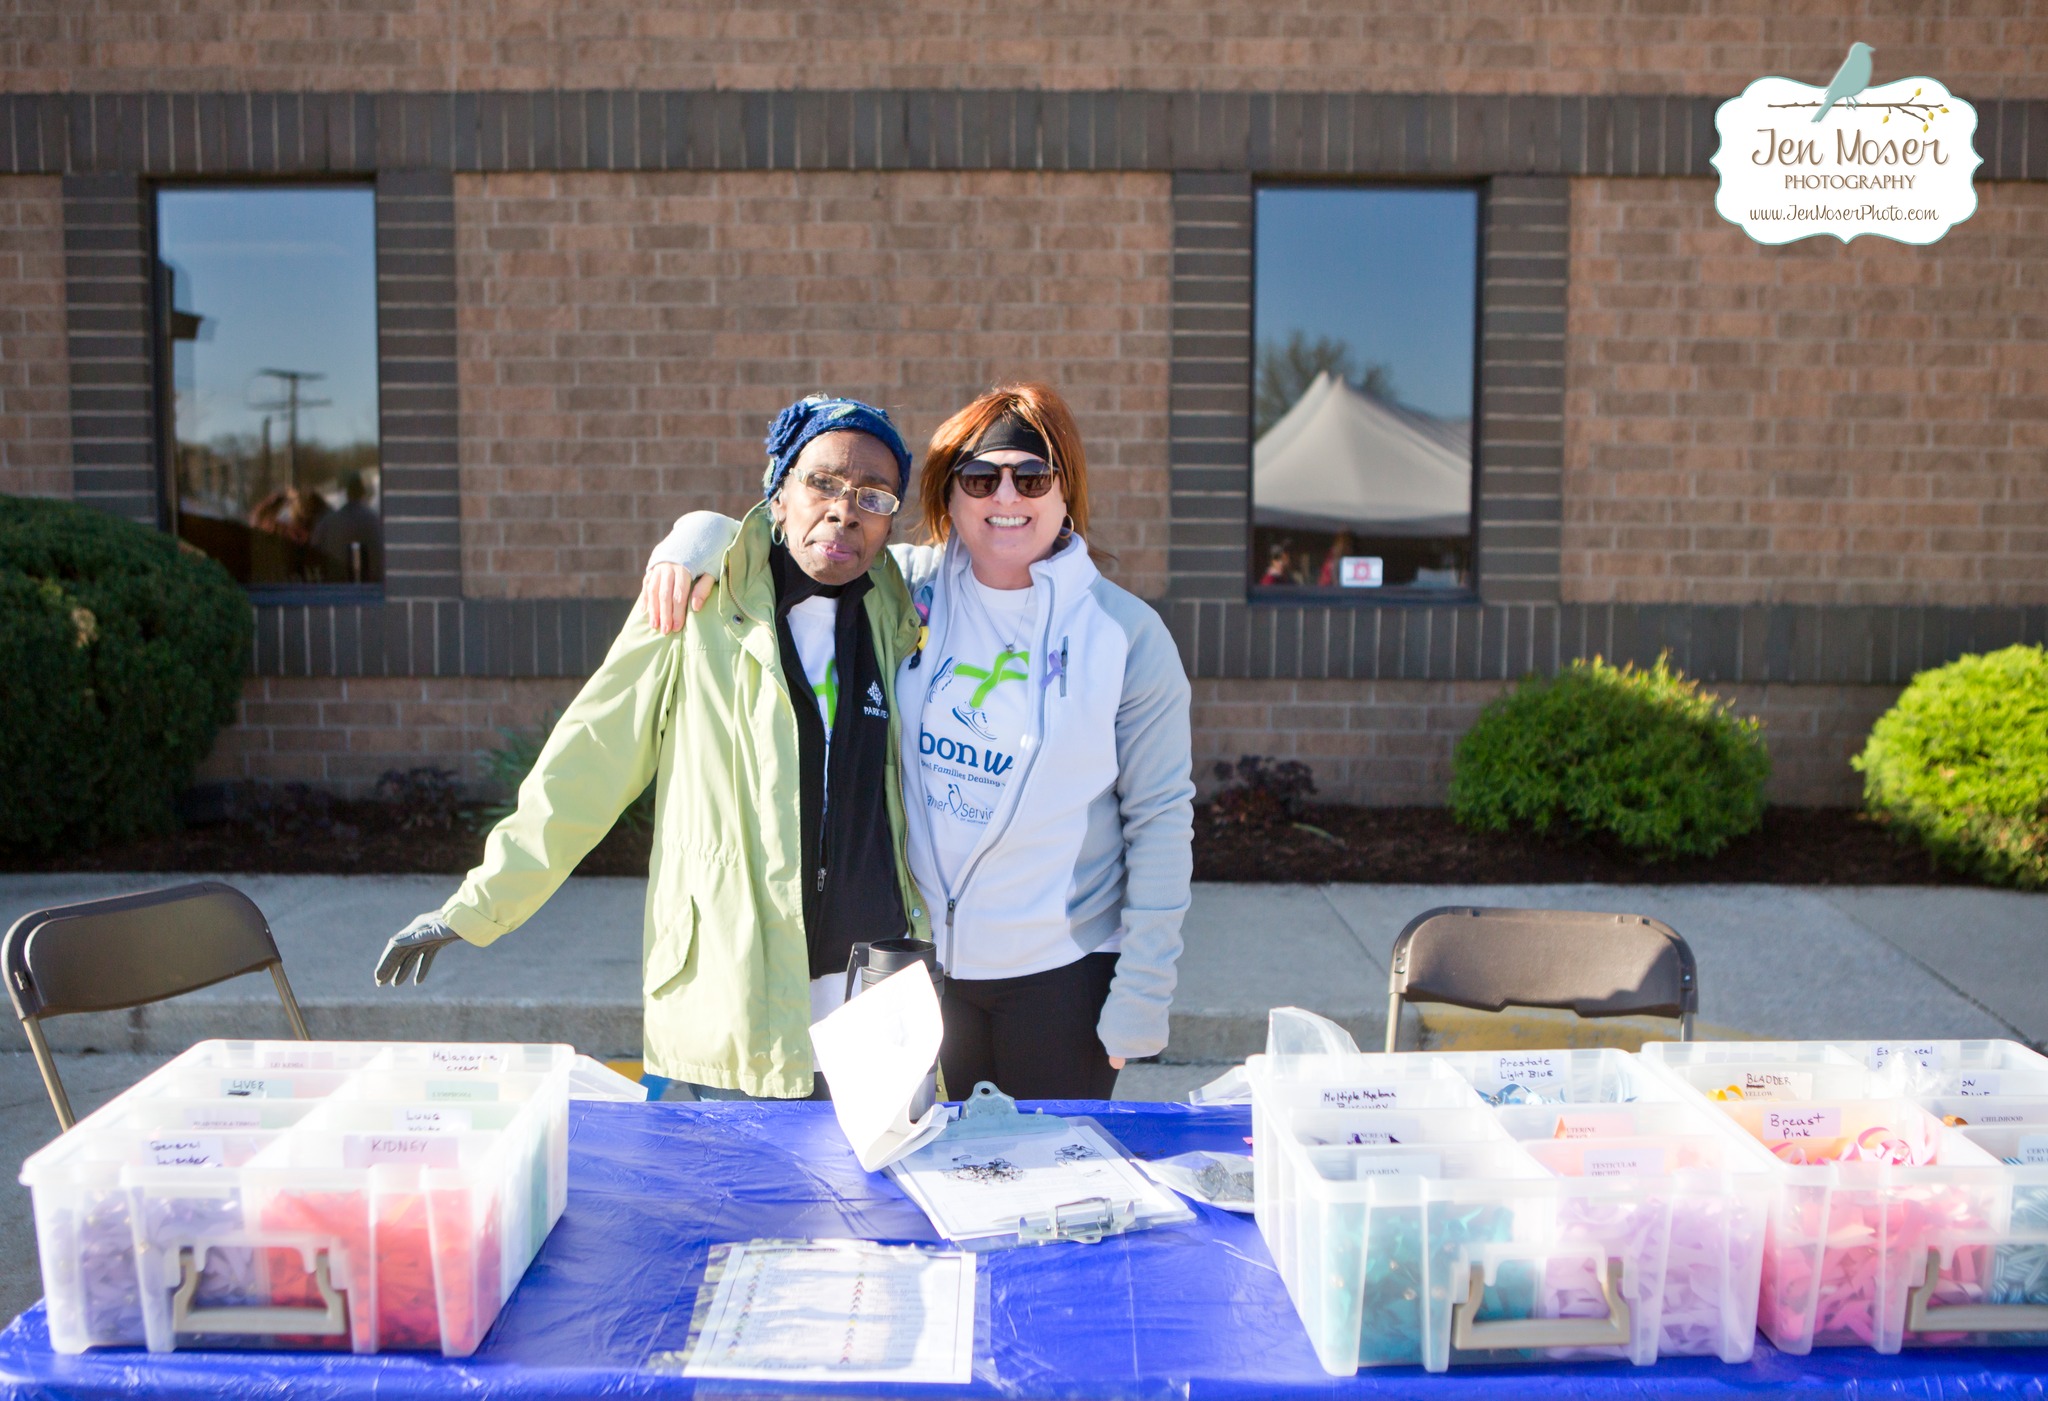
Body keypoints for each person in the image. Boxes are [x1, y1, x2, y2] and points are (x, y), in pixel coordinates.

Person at [641, 383, 1195, 1100]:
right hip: (915, 973)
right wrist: (695, 539)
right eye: (980, 477)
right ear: (948, 497)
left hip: (1061, 979)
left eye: (1032, 477)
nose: (1006, 496)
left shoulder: (1126, 635)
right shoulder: (900, 588)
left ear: (1067, 492)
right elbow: (786, 540)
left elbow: (1160, 819)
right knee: (918, 1168)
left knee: (1043, 1168)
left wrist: (1143, 993)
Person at [373, 396, 931, 1101]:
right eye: (822, 482)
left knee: (879, 1176)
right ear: (780, 493)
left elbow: (1000, 547)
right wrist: (477, 906)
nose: (844, 510)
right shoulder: (697, 603)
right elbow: (589, 758)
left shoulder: (894, 611)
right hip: (740, 997)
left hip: (872, 993)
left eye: (873, 496)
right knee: (746, 1176)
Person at [310, 470, 384, 582]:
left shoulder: (329, 521)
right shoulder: (375, 521)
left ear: (346, 493)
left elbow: (314, 548)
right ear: (364, 493)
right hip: (372, 586)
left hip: (336, 585)